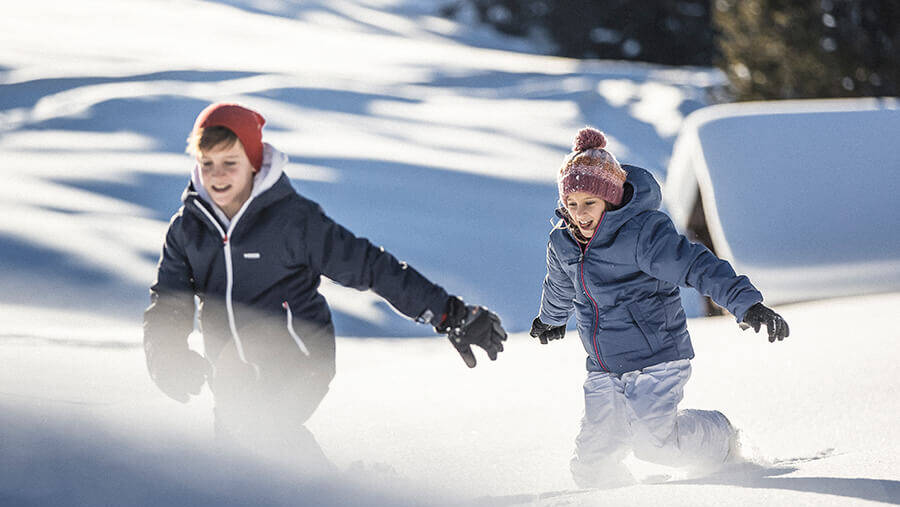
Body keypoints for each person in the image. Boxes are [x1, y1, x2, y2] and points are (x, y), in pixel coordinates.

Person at [142, 102, 507, 470]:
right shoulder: (188, 230)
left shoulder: (293, 221)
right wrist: (167, 355)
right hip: (230, 372)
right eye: (208, 164)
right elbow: (169, 302)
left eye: (230, 163)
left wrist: (448, 313)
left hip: (299, 355)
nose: (217, 175)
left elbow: (370, 266)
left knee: (260, 428)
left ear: (253, 161)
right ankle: (345, 490)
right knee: (238, 467)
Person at [530, 127, 789, 488]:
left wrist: (745, 303)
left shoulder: (642, 235)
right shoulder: (564, 241)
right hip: (604, 367)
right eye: (572, 204)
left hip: (656, 357)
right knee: (591, 463)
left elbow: (696, 265)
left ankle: (720, 437)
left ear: (611, 198)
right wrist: (551, 318)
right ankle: (614, 497)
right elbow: (561, 283)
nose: (580, 214)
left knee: (656, 445)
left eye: (589, 202)